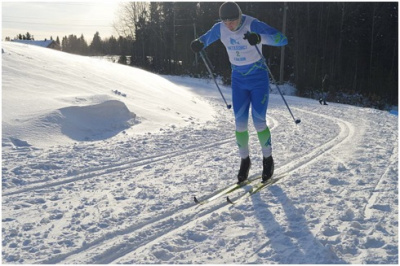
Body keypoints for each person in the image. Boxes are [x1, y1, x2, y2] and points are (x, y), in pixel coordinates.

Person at [190, 2, 288, 184]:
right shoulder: (219, 28)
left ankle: (268, 160)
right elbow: (204, 39)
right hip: (238, 80)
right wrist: (198, 44)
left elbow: (282, 39)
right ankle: (245, 161)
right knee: (240, 124)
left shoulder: (252, 24)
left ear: (240, 16)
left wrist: (259, 38)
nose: (229, 25)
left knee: (259, 121)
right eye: (225, 21)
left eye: (233, 21)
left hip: (258, 78)